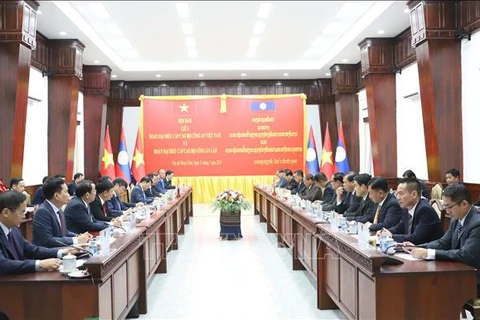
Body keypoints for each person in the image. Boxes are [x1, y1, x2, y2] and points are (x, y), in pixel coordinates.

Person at [408, 183, 480, 295]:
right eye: (445, 207)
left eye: (449, 207)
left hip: (475, 279)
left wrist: (429, 253)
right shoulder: (456, 219)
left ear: (464, 204)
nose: (447, 212)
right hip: (461, 273)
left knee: (433, 287)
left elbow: (465, 255)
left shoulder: (477, 223)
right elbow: (443, 242)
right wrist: (418, 247)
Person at [0, 191, 76, 275]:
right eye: (22, 212)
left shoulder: (13, 229)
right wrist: (40, 264)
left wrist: (62, 252)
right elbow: (3, 264)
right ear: (6, 212)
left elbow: (32, 250)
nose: (24, 216)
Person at [378, 178, 444, 244]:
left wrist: (391, 236)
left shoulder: (425, 210)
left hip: (426, 250)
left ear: (414, 194)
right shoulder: (406, 208)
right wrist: (385, 232)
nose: (397, 198)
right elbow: (399, 227)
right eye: (396, 194)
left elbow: (416, 238)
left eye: (401, 194)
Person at [32, 177, 90, 247]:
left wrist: (79, 236)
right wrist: (76, 240)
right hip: (48, 254)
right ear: (56, 196)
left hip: (62, 249)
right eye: (66, 192)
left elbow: (64, 232)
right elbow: (48, 240)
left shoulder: (58, 209)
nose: (69, 195)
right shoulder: (42, 212)